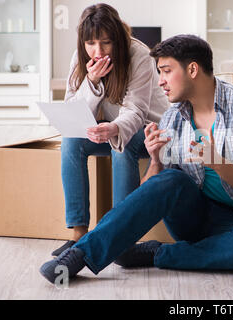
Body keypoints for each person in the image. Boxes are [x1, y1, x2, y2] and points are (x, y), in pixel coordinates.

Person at [40, 34, 233, 284]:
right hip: (192, 218)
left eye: (166, 71)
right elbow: (152, 194)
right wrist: (155, 160)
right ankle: (78, 254)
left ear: (192, 69)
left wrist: (217, 162)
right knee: (171, 179)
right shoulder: (173, 117)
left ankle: (156, 254)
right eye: (159, 72)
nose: (160, 82)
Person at [52, 3, 169, 256]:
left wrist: (114, 127)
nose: (98, 51)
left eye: (106, 43)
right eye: (90, 43)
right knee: (71, 140)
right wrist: (91, 82)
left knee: (120, 143)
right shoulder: (80, 58)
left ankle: (120, 236)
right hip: (108, 127)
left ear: (117, 38)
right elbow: (72, 110)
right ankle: (79, 235)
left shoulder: (139, 54)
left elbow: (136, 111)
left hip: (148, 128)